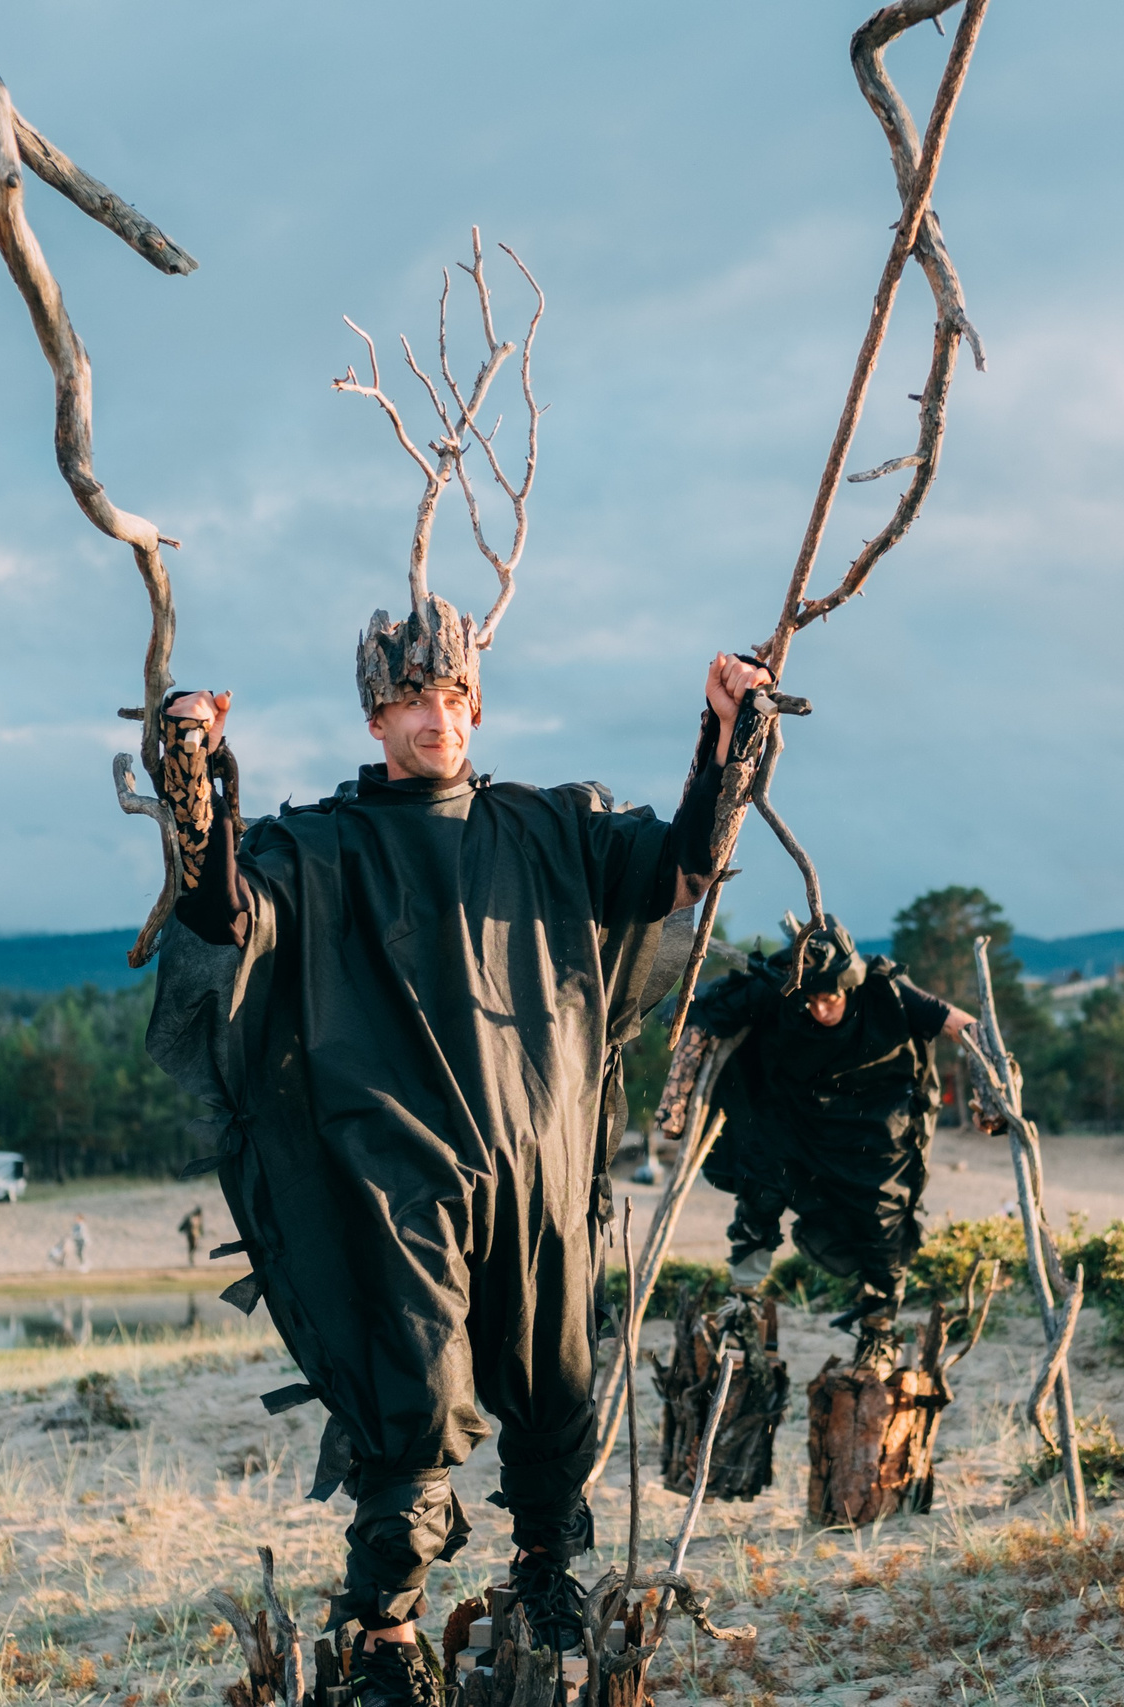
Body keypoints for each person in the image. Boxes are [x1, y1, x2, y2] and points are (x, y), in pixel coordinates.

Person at [143, 587, 764, 1704]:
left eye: (453, 695)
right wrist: (193, 773)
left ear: (476, 703)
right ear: (373, 720)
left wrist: (727, 734)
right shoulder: (319, 849)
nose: (437, 719)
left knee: (555, 1384)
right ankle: (384, 1628)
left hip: (537, 1163)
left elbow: (681, 869)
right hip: (398, 1178)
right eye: (411, 700)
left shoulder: (549, 830)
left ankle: (542, 1572)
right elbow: (221, 913)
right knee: (416, 1402)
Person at [676, 916, 977, 1367]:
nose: (820, 1010)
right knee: (760, 1191)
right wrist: (679, 1085)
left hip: (872, 1127)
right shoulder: (782, 987)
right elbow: (712, 1012)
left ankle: (878, 1329)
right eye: (811, 1001)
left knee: (882, 1221)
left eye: (830, 999)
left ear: (848, 988)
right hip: (793, 1119)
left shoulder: (884, 990)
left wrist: (991, 1081)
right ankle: (743, 1303)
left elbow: (960, 1024)